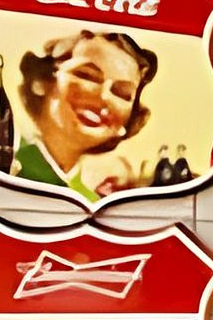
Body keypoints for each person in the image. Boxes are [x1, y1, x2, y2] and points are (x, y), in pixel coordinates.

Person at [12, 29, 158, 200]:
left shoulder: (92, 201)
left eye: (122, 93)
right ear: (42, 81)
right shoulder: (6, 164)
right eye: (86, 75)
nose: (104, 97)